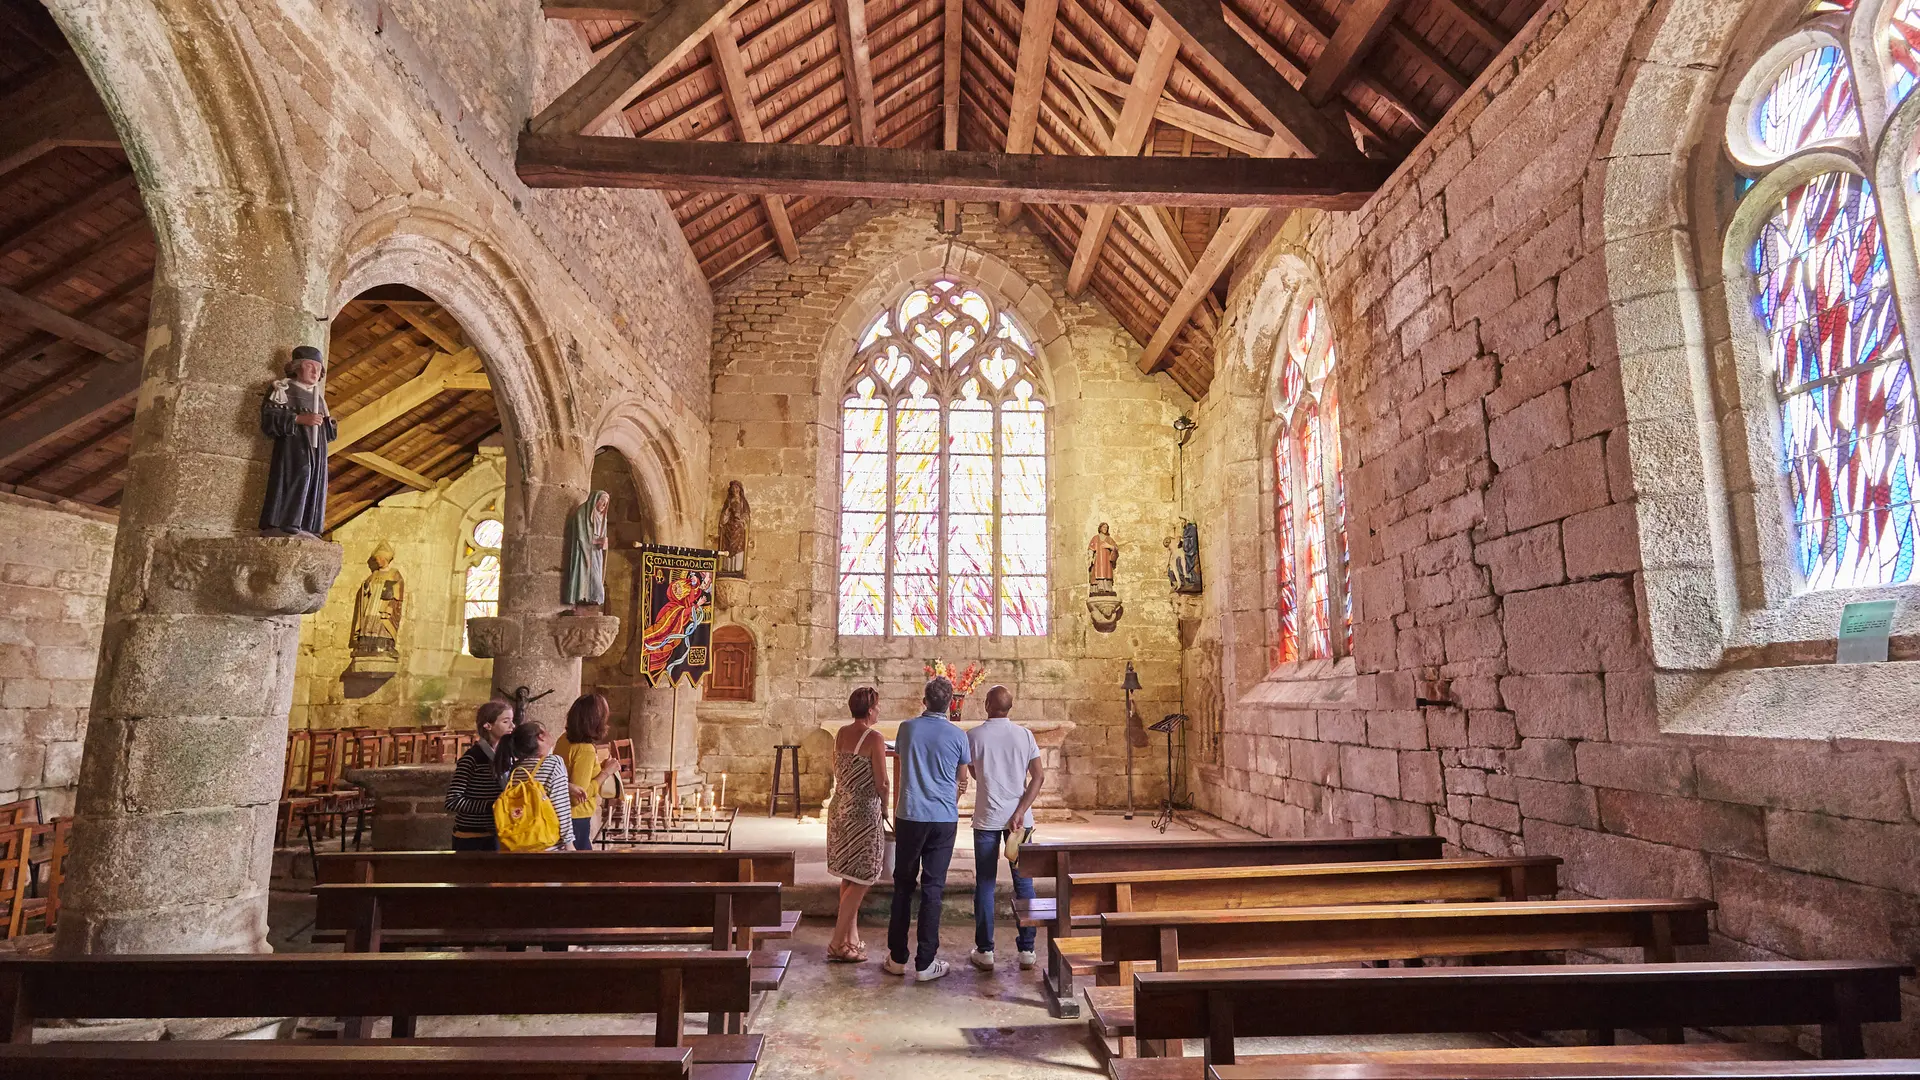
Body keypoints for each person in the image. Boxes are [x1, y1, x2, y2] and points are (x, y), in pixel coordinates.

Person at [884, 677, 971, 982]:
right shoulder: (958, 735)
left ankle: (897, 958)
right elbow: (963, 779)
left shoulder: (907, 728)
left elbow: (900, 757)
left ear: (924, 701)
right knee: (933, 888)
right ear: (951, 704)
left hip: (910, 815)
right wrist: (951, 798)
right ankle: (925, 962)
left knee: (903, 885)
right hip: (943, 818)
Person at [960, 685, 1045, 971]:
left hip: (987, 816)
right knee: (1024, 883)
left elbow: (973, 771)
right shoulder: (1025, 735)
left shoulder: (973, 736)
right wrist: (1020, 810)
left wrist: (988, 778)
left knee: (985, 883)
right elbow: (1038, 776)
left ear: (986, 705)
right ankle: (1028, 950)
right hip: (1021, 820)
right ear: (1010, 707)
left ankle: (985, 951)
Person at [825, 686, 890, 963]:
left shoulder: (841, 733)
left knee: (849, 875)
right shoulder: (874, 738)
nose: (879, 711)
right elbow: (882, 782)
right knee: (864, 875)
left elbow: (839, 769)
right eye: (878, 706)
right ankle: (837, 943)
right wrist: (886, 805)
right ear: (870, 709)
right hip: (863, 812)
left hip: (840, 809)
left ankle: (850, 939)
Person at [444, 700, 516, 851]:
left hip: (500, 832)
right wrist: (493, 806)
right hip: (473, 837)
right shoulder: (472, 758)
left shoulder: (508, 756)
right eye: (505, 721)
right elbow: (452, 801)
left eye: (512, 720)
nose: (512, 726)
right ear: (488, 725)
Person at [495, 719, 573, 851]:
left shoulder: (516, 769)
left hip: (519, 846)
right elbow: (561, 806)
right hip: (548, 846)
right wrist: (569, 844)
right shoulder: (554, 763)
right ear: (541, 736)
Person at [555, 693, 618, 851]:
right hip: (576, 818)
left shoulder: (564, 739)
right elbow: (578, 796)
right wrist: (606, 772)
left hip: (561, 813)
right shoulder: (585, 749)